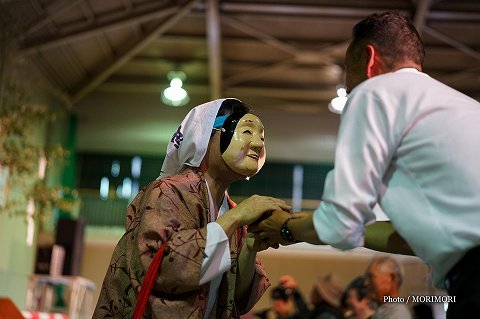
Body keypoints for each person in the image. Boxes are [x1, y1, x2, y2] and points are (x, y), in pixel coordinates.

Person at [253, 11, 480, 319]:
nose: (348, 87)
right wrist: (313, 218)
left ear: (369, 59)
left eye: (348, 72)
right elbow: (410, 239)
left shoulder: (375, 92)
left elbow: (341, 225)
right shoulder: (465, 107)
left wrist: (284, 227)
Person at [92, 98, 290, 318]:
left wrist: (249, 247)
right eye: (246, 132)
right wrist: (235, 217)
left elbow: (235, 299)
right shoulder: (167, 192)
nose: (257, 144)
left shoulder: (231, 210)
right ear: (205, 136)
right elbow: (164, 268)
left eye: (261, 136)